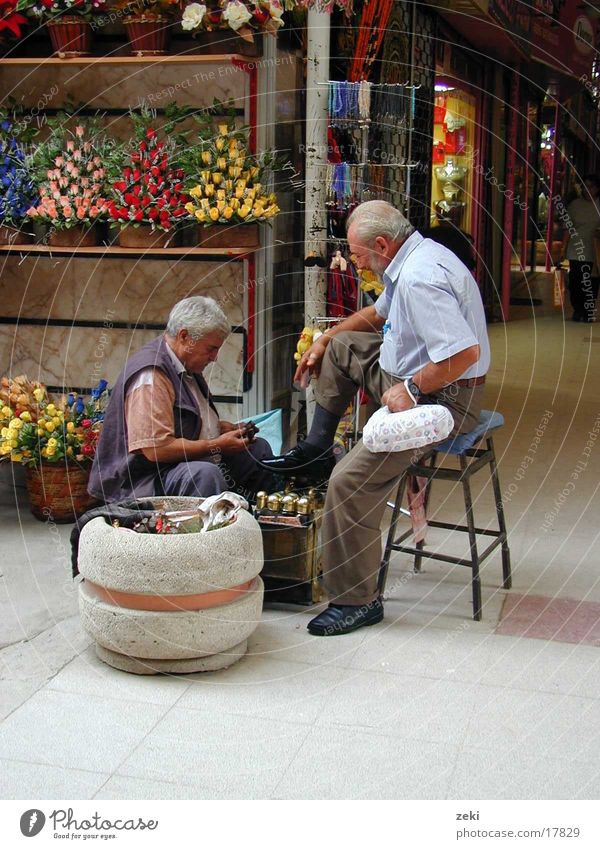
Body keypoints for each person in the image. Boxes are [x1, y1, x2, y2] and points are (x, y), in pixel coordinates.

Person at [258, 200, 490, 636]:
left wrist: (412, 389)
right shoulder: (409, 260)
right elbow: (378, 314)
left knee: (348, 484)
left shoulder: (421, 277)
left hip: (444, 398)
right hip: (412, 373)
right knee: (343, 348)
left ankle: (356, 600)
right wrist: (326, 336)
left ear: (382, 244)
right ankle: (315, 450)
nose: (357, 262)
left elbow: (464, 353)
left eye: (360, 254)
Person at [89, 296, 276, 504]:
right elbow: (156, 449)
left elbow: (186, 420)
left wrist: (221, 429)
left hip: (176, 467)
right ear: (185, 337)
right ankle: (213, 534)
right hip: (141, 482)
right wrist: (216, 445)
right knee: (204, 475)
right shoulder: (152, 375)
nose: (214, 357)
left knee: (258, 450)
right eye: (211, 348)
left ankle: (256, 524)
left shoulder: (185, 363)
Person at [560, 174, 600, 322]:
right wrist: (563, 249)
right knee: (576, 280)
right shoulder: (575, 205)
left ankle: (588, 311)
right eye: (585, 186)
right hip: (576, 247)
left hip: (595, 249)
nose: (588, 189)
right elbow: (567, 228)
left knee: (592, 282)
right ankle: (578, 310)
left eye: (592, 186)